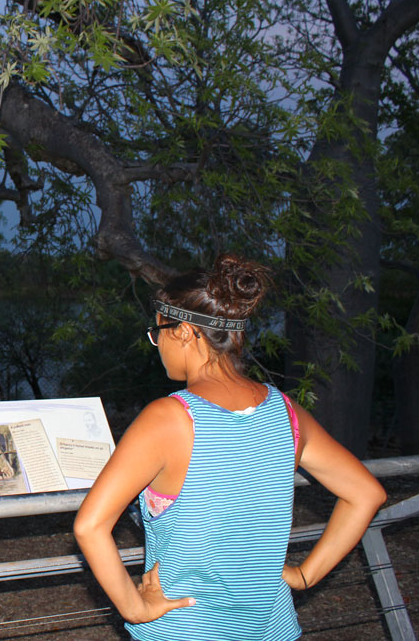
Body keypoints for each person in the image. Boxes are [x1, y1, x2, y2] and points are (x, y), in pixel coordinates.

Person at [73, 253, 387, 640]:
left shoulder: (168, 419)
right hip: (272, 627)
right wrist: (305, 575)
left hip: (187, 628)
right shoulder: (286, 412)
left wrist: (135, 608)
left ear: (186, 332)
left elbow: (90, 525)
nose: (157, 345)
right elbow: (366, 493)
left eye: (159, 332)